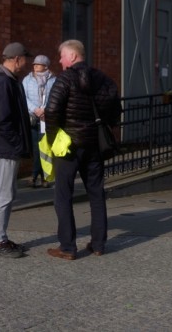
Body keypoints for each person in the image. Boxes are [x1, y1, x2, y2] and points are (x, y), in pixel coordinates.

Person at [45, 39, 120, 260]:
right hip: (94, 145)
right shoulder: (102, 79)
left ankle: (67, 247)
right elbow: (116, 108)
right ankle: (98, 244)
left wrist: (53, 139)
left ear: (73, 56)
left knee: (63, 195)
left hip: (69, 146)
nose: (59, 60)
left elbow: (51, 111)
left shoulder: (65, 79)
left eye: (62, 56)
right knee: (96, 193)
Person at [0, 42, 34, 258]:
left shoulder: (8, 80)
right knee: (3, 195)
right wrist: (17, 144)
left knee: (8, 193)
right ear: (16, 59)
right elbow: (2, 120)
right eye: (25, 59)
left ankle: (1, 237)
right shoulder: (2, 82)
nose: (27, 63)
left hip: (8, 146)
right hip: (6, 147)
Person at [22, 54, 56, 188]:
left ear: (46, 66)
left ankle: (36, 176)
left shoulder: (53, 80)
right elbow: (24, 97)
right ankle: (43, 177)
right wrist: (35, 109)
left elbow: (54, 98)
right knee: (35, 148)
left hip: (46, 119)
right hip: (33, 118)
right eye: (34, 64)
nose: (35, 66)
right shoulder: (27, 80)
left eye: (38, 64)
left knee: (44, 148)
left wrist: (45, 110)